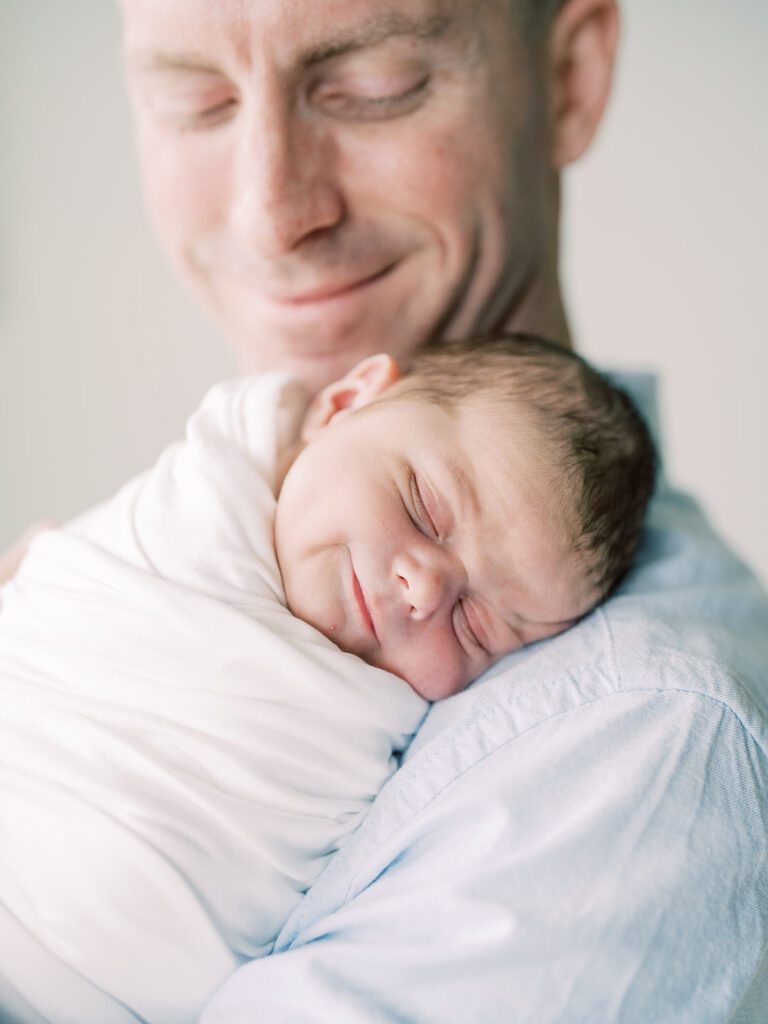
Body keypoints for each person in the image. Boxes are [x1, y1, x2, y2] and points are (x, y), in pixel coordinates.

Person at [4, 0, 767, 1020]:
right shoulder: (209, 505)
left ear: (569, 78)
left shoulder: (636, 738)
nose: (271, 212)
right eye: (196, 101)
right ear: (348, 401)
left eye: (374, 85)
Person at [0, 335, 655, 1023]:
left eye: (476, 625)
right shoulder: (198, 493)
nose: (424, 589)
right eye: (426, 509)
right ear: (343, 404)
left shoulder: (399, 743)